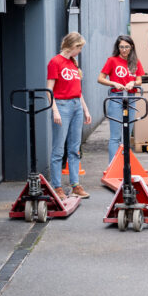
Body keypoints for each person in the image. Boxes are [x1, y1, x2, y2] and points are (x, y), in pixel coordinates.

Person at [47, 32, 92, 198]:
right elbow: (49, 89)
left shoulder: (73, 63)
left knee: (74, 149)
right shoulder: (55, 62)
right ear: (71, 46)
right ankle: (57, 186)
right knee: (59, 149)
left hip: (76, 106)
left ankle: (75, 184)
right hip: (62, 105)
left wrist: (85, 109)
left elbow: (77, 91)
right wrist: (55, 110)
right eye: (79, 47)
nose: (80, 50)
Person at [97, 35, 145, 163]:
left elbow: (139, 80)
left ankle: (125, 166)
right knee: (115, 136)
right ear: (118, 48)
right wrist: (113, 83)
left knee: (127, 134)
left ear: (131, 47)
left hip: (131, 97)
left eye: (126, 47)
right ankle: (112, 167)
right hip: (116, 97)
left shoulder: (135, 61)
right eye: (121, 47)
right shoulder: (112, 60)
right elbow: (100, 78)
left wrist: (132, 83)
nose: (124, 50)